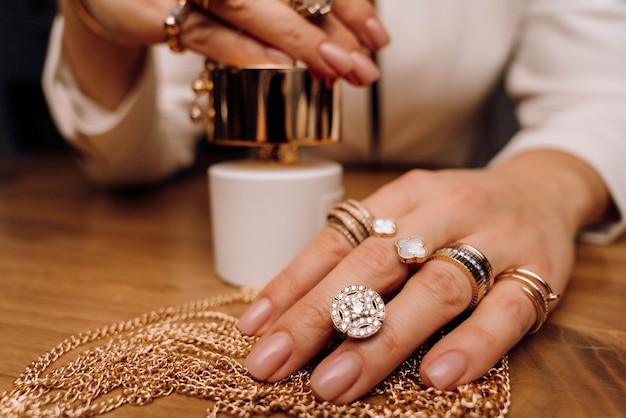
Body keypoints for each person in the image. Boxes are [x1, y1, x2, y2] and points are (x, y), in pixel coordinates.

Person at [43, 0, 625, 405]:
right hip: (169, 251)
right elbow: (127, 153)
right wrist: (91, 17)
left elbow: (601, 90)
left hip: (464, 227)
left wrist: (545, 187)